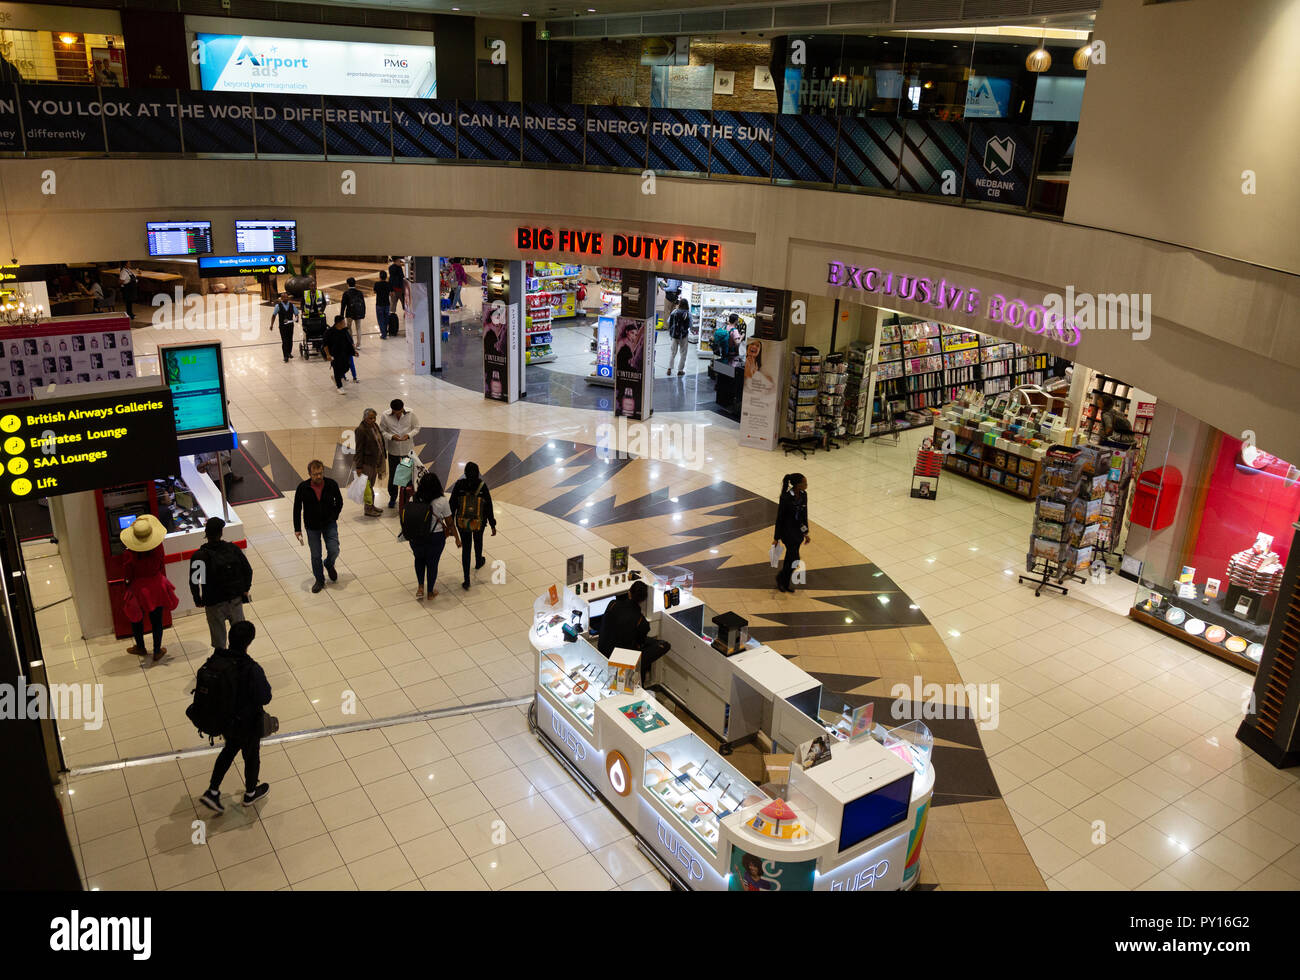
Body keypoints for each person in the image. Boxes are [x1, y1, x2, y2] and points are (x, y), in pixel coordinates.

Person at [197, 621, 272, 812]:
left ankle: (213, 790)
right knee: (251, 756)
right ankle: (250, 793)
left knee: (229, 750)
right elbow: (265, 696)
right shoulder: (251, 668)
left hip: (225, 720)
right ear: (249, 642)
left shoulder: (217, 660)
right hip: (247, 723)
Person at [119, 515, 179, 662]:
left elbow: (128, 574)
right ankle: (157, 651)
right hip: (157, 586)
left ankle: (140, 647)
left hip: (138, 590)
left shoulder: (128, 553)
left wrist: (127, 585)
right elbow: (160, 564)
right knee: (157, 621)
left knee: (136, 619)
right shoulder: (158, 547)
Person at [189, 517, 253, 654]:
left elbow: (195, 580)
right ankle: (240, 664)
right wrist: (245, 589)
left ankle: (222, 666)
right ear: (221, 533)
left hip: (213, 602)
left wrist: (197, 599)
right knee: (239, 638)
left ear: (206, 534)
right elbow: (248, 570)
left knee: (219, 642)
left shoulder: (199, 556)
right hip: (235, 598)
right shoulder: (233, 549)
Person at [595, 580, 669, 685]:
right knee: (663, 645)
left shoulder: (612, 604)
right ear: (644, 600)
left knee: (642, 647)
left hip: (603, 650)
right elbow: (640, 644)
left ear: (629, 592)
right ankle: (640, 678)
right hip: (620, 659)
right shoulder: (641, 622)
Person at [401, 472, 460, 600]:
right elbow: (450, 522)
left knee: (419, 559)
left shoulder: (414, 498)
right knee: (432, 564)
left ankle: (420, 587)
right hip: (435, 538)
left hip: (416, 536)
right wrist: (456, 538)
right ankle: (430, 592)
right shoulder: (442, 501)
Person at [293, 459, 344, 593]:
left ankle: (328, 563)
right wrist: (297, 529)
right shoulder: (303, 488)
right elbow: (297, 508)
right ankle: (319, 580)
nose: (318, 476)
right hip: (312, 526)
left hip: (329, 523)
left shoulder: (331, 484)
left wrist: (334, 516)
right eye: (315, 474)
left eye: (320, 473)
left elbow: (339, 501)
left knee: (334, 549)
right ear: (309, 474)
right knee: (315, 555)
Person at [449, 462, 498, 590]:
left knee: (466, 548)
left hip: (462, 522)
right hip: (479, 521)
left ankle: (466, 579)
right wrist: (492, 524)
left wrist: (450, 525)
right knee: (478, 539)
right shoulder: (482, 486)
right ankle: (478, 561)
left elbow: (452, 505)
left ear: (465, 473)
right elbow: (488, 507)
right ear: (478, 473)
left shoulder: (459, 485)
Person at [379, 399, 421, 508]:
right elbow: (382, 430)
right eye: (395, 412)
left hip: (407, 450)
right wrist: (391, 437)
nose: (398, 414)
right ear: (392, 409)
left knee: (408, 473)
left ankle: (406, 497)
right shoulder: (385, 415)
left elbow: (417, 428)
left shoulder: (411, 413)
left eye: (400, 412)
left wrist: (409, 435)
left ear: (403, 408)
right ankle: (393, 497)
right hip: (393, 450)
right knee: (393, 474)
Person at [774, 473, 810, 593]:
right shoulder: (786, 497)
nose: (807, 485)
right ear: (798, 485)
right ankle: (781, 578)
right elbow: (780, 518)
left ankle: (784, 582)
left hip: (798, 532)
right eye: (804, 483)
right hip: (788, 532)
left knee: (790, 559)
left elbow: (804, 515)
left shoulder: (804, 495)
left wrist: (805, 533)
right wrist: (776, 537)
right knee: (795, 558)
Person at [353, 408, 386, 517]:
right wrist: (359, 466)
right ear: (365, 418)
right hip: (367, 463)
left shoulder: (375, 426)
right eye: (370, 418)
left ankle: (371, 506)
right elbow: (359, 449)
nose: (373, 420)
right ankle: (368, 509)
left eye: (374, 418)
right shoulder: (361, 430)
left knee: (371, 484)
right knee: (368, 486)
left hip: (375, 461)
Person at [323, 314, 358, 394]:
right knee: (336, 369)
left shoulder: (345, 330)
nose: (345, 323)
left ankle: (336, 377)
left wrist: (354, 351)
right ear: (338, 323)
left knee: (346, 367)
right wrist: (328, 355)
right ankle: (339, 386)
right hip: (335, 354)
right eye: (343, 322)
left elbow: (350, 341)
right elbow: (325, 345)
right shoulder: (329, 332)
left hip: (345, 353)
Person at [270, 291, 299, 362]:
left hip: (290, 326)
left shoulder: (292, 305)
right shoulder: (278, 306)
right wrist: (271, 325)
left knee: (290, 340)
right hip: (282, 326)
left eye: (287, 297)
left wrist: (296, 318)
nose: (286, 298)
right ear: (281, 298)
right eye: (284, 297)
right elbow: (274, 315)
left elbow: (296, 313)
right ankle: (285, 356)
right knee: (284, 341)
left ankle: (289, 352)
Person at [666, 297, 691, 376]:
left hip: (674, 335)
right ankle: (680, 370)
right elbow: (691, 325)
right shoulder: (688, 313)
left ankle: (669, 368)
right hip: (683, 336)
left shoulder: (674, 312)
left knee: (673, 352)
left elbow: (668, 321)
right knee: (683, 353)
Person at [341, 276, 367, 350]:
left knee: (349, 327)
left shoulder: (346, 293)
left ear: (347, 284)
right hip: (358, 312)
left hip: (349, 313)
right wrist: (364, 313)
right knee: (358, 328)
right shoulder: (359, 293)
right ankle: (358, 344)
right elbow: (363, 304)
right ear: (355, 284)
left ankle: (351, 343)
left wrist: (341, 315)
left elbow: (343, 305)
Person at [374, 270, 392, 340]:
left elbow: (375, 291)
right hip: (387, 303)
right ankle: (385, 331)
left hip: (379, 304)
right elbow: (391, 293)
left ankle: (383, 334)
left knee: (380, 319)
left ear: (380, 276)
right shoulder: (388, 284)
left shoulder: (377, 284)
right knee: (386, 318)